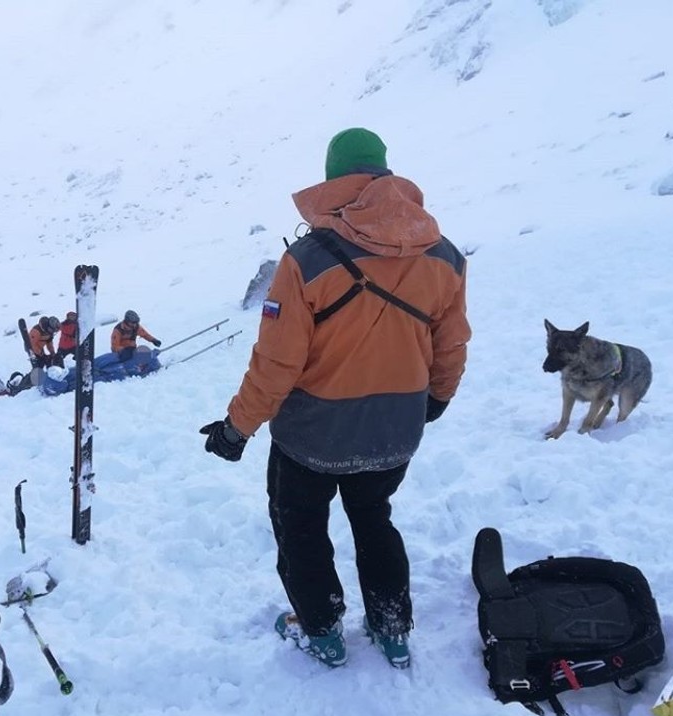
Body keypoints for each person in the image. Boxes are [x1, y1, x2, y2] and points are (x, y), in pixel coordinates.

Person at [199, 127, 470, 669]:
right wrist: (436, 398)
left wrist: (237, 428)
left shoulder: (306, 260)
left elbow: (278, 363)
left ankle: (322, 631)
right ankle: (392, 628)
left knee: (301, 527)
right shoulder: (444, 256)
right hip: (396, 428)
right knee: (374, 518)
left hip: (312, 436)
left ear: (334, 180)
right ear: (385, 172)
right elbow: (452, 342)